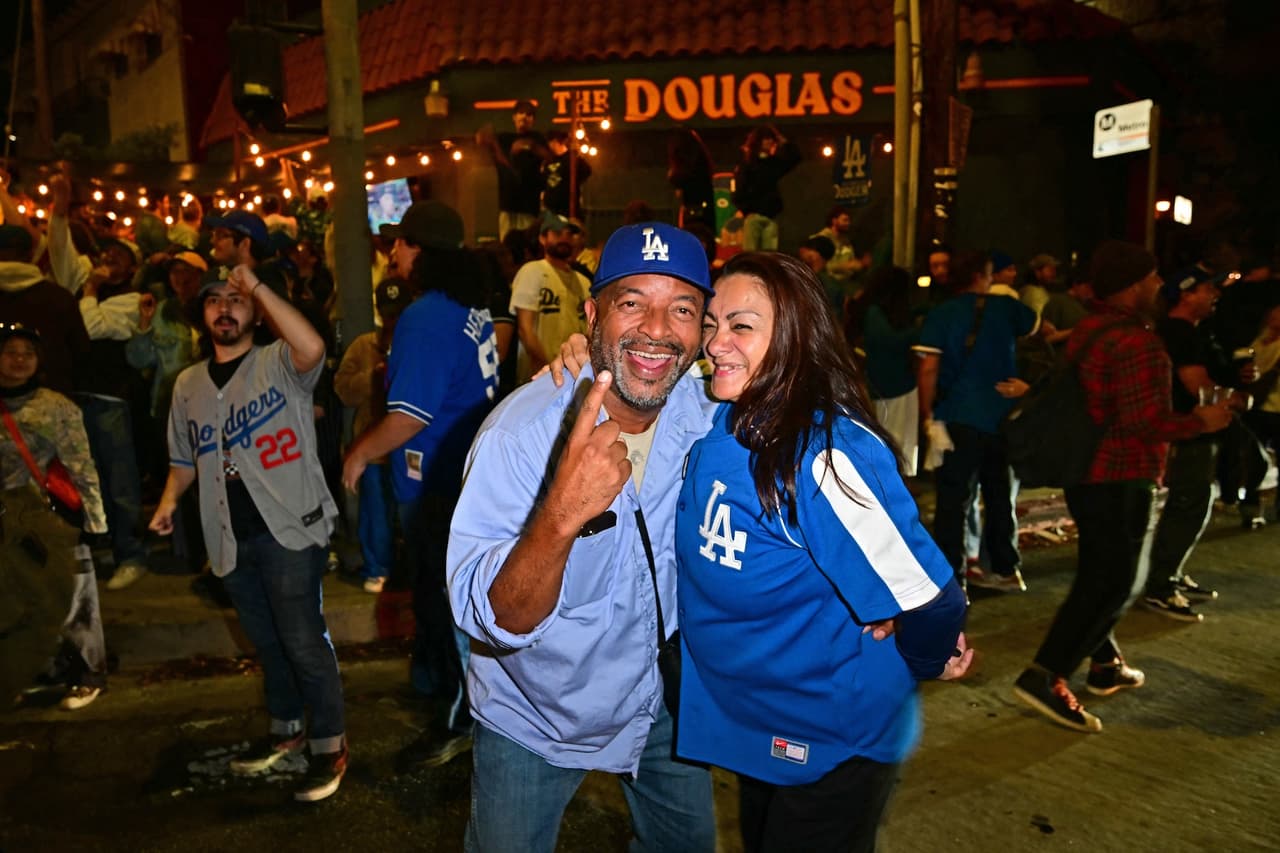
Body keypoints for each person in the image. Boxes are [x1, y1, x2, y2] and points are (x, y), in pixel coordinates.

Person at [679, 252, 970, 852]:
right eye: (711, 324)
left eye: (741, 326)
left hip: (831, 735)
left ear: (793, 340)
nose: (716, 344)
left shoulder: (824, 457)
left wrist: (926, 660)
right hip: (761, 722)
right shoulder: (724, 419)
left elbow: (930, 601)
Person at [447, 222, 718, 853]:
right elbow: (494, 619)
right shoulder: (519, 437)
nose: (656, 329)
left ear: (703, 330)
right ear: (592, 315)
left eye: (681, 308)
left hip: (662, 703)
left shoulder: (707, 412)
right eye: (632, 304)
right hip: (536, 715)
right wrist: (562, 516)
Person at [1012, 242, 1231, 733]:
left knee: (1099, 570)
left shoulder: (1091, 328)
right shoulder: (1136, 342)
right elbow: (1145, 421)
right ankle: (1046, 675)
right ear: (1134, 285)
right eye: (1152, 278)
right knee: (1116, 581)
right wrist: (1202, 420)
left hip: (1087, 473)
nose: (1159, 287)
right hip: (1120, 473)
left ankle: (1105, 662)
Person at [148, 263, 347, 802]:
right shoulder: (187, 384)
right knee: (266, 642)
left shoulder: (279, 362)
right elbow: (184, 459)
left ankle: (330, 745)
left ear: (257, 313)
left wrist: (255, 283)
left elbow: (312, 345)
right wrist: (168, 503)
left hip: (289, 528)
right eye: (214, 301)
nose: (225, 309)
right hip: (227, 535)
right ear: (201, 314)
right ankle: (286, 732)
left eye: (235, 301)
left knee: (303, 640)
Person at [342, 200, 499, 770]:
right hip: (460, 475)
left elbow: (410, 415)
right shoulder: (464, 305)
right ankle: (442, 688)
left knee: (446, 601)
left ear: (422, 251)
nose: (394, 251)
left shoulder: (426, 315)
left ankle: (462, 718)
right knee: (441, 598)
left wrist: (359, 452)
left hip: (439, 482)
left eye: (402, 243)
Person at [0, 323, 110, 710]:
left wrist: (94, 521)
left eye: (27, 353)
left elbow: (81, 463)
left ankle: (87, 673)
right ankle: (32, 670)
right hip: (5, 522)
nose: (19, 360)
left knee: (75, 596)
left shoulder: (56, 407)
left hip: (46, 515)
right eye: (10, 351)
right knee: (18, 598)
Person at [915, 250, 1038, 593]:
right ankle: (1005, 568)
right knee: (1000, 494)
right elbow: (1036, 327)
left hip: (955, 416)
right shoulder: (1007, 308)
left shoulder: (941, 314)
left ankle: (952, 578)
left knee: (953, 500)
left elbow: (928, 368)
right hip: (1000, 415)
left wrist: (927, 415)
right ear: (985, 275)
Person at [48, 175, 149, 591]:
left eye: (119, 255)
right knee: (83, 478)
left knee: (119, 480)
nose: (108, 257)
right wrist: (59, 208)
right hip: (76, 398)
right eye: (106, 250)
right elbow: (61, 254)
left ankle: (131, 555)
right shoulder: (87, 285)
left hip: (109, 400)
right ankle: (98, 545)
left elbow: (90, 328)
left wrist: (89, 288)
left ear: (133, 268)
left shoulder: (131, 300)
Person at [1141, 268, 1247, 620]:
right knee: (1189, 503)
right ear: (1185, 294)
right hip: (1189, 432)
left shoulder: (1195, 332)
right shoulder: (1178, 332)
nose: (1215, 294)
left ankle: (1167, 573)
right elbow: (1196, 386)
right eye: (1207, 289)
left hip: (1196, 431)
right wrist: (1231, 397)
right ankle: (1160, 584)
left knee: (1191, 503)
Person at [333, 276, 416, 594]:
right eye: (389, 312)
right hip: (375, 446)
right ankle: (377, 567)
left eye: (399, 312)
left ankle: (406, 570)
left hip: (410, 446)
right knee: (376, 513)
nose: (393, 319)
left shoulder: (418, 344)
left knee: (408, 513)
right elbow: (342, 389)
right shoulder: (364, 345)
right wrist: (374, 376)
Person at [509, 210, 591, 383]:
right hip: (536, 377)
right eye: (557, 233)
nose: (564, 238)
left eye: (568, 234)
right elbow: (525, 329)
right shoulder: (532, 271)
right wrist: (547, 369)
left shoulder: (583, 282)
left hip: (572, 377)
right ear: (542, 238)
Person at [733, 125, 800, 251]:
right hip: (755, 216)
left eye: (771, 139)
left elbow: (795, 158)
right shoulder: (748, 164)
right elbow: (740, 188)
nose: (770, 142)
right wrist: (747, 210)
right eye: (766, 139)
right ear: (759, 141)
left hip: (770, 216)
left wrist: (783, 141)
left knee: (769, 256)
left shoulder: (772, 163)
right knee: (752, 254)